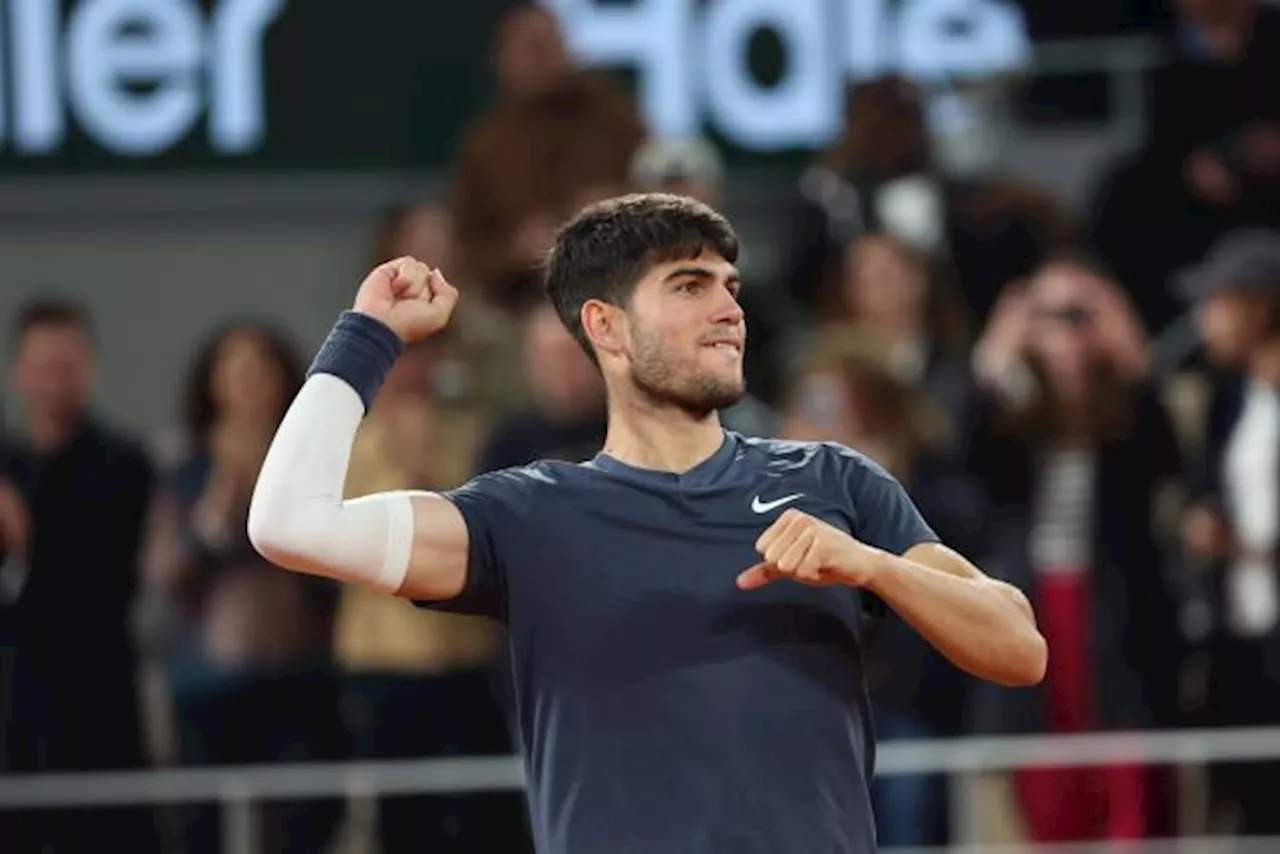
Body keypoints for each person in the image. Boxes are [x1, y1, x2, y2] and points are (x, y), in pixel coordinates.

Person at [248, 193, 1047, 854]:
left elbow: (1019, 647)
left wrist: (874, 567)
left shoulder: (833, 480)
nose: (730, 309)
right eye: (691, 286)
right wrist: (368, 337)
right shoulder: (527, 514)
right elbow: (290, 523)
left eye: (730, 286)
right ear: (606, 326)